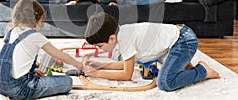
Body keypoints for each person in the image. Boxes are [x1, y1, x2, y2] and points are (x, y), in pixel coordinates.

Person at [83, 12, 220, 91]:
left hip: (183, 41)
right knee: (172, 73)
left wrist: (97, 74)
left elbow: (126, 74)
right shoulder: (122, 33)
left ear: (111, 38)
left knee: (166, 83)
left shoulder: (125, 39)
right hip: (177, 40)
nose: (99, 49)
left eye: (100, 46)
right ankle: (185, 67)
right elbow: (127, 64)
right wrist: (101, 65)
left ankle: (203, 70)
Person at [0, 0, 83, 99]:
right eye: (41, 21)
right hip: (22, 90)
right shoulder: (35, 36)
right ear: (36, 18)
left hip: (0, 86)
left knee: (37, 69)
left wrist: (33, 70)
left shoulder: (11, 31)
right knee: (67, 82)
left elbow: (12, 59)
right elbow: (61, 55)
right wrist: (78, 64)